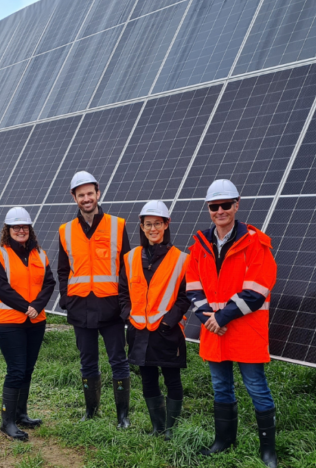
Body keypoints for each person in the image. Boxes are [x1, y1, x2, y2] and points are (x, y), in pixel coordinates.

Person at [186, 180, 278, 468]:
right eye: (215, 206)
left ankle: (268, 452)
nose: (221, 210)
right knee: (220, 387)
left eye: (226, 205)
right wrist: (208, 319)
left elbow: (257, 290)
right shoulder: (200, 244)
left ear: (237, 205)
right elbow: (192, 287)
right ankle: (224, 441)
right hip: (215, 331)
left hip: (245, 330)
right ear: (209, 209)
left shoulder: (256, 242)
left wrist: (219, 318)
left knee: (256, 387)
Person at [58, 171, 132, 428]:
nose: (86, 198)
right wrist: (65, 299)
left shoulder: (117, 225)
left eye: (90, 193)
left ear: (98, 193)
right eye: (81, 195)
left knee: (118, 360)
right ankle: (91, 411)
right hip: (80, 307)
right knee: (87, 360)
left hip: (110, 307)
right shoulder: (65, 230)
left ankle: (123, 416)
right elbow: (62, 269)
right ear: (74, 197)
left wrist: (125, 304)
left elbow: (127, 267)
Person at [118, 200, 190, 440]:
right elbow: (122, 291)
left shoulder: (182, 259)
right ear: (141, 226)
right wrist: (127, 312)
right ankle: (157, 428)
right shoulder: (130, 258)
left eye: (157, 224)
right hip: (139, 331)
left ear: (166, 224)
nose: (153, 229)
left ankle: (171, 430)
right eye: (148, 224)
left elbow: (184, 297)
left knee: (172, 379)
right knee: (148, 379)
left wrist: (169, 321)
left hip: (167, 331)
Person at [0, 207, 56, 441]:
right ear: (8, 230)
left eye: (24, 226)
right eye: (16, 227)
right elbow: (1, 288)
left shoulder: (40, 254)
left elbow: (49, 282)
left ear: (30, 229)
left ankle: (21, 414)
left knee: (27, 369)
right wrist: (27, 307)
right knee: (16, 370)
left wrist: (36, 305)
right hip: (9, 323)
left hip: (35, 322)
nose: (21, 230)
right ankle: (7, 422)